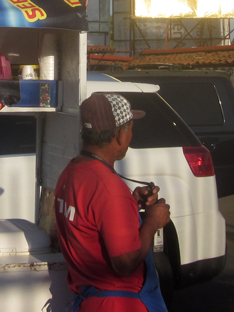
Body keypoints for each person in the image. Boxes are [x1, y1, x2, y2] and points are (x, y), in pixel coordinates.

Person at [54, 93, 172, 312]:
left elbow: (92, 219)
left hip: (88, 301)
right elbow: (126, 263)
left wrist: (130, 204)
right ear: (120, 134)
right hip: (119, 305)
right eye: (131, 129)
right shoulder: (108, 188)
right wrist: (153, 222)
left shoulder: (71, 172)